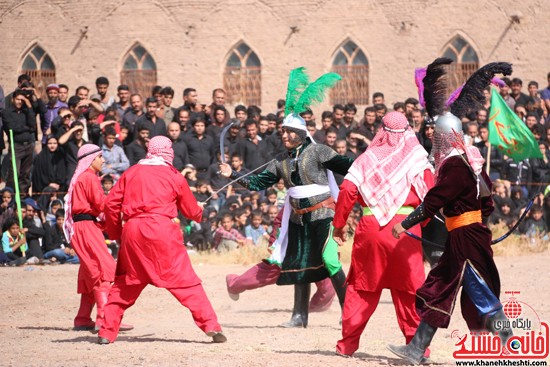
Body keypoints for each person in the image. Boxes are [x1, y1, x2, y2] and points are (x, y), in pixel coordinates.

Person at [388, 59, 513, 365]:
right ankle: (417, 350)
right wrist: (472, 219)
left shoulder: (455, 166)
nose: (433, 139)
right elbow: (487, 199)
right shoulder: (468, 163)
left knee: (474, 294)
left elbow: (433, 201)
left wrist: (405, 224)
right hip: (466, 235)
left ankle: (510, 343)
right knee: (444, 290)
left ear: (446, 137)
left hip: (465, 240)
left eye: (436, 136)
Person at [98, 136, 226, 344]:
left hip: (133, 230)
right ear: (168, 152)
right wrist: (199, 211)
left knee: (126, 282)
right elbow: (191, 211)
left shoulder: (130, 173)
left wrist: (117, 234)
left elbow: (111, 204)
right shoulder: (174, 175)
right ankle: (210, 325)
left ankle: (106, 332)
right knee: (185, 281)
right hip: (162, 231)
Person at [332, 111, 434, 357]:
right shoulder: (417, 157)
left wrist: (339, 225)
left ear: (382, 130)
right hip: (407, 228)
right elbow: (432, 193)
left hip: (371, 228)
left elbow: (347, 189)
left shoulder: (367, 158)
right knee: (409, 289)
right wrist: (422, 222)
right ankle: (419, 348)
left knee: (363, 288)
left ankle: (346, 346)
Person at [63, 144, 133, 332]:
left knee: (91, 274)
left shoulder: (82, 178)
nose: (103, 160)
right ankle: (105, 319)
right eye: (100, 157)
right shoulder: (90, 178)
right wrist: (119, 201)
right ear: (91, 159)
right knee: (102, 271)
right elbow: (101, 204)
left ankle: (82, 319)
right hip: (87, 229)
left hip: (83, 227)